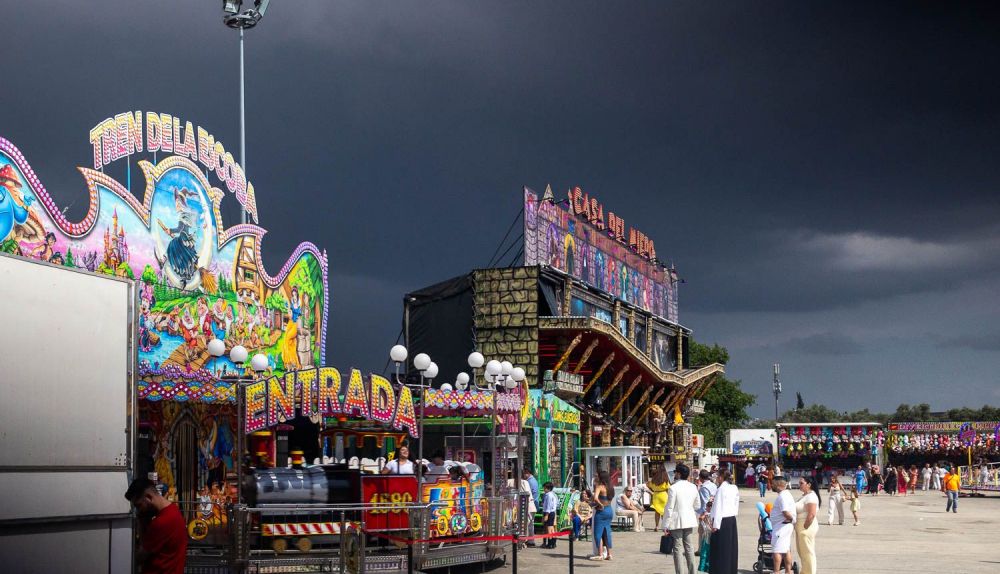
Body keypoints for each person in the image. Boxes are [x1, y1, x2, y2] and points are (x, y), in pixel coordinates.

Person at [126, 477, 187, 574]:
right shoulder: (173, 510)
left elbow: (139, 557)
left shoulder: (161, 522)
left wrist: (141, 521)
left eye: (139, 505)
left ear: (148, 497)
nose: (139, 510)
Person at [663, 464, 700, 574]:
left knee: (678, 549)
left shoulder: (673, 488)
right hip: (689, 519)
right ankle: (693, 572)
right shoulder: (693, 486)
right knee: (689, 548)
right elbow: (697, 505)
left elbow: (669, 508)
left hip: (676, 521)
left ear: (679, 474)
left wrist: (665, 525)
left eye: (675, 472)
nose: (674, 474)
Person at [708, 469, 739, 574]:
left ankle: (721, 570)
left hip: (722, 520)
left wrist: (715, 524)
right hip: (731, 518)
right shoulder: (734, 487)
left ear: (721, 477)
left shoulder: (721, 489)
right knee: (730, 547)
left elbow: (718, 507)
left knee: (721, 548)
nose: (716, 479)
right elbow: (736, 503)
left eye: (717, 476)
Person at [769, 476, 795, 574]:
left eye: (773, 483)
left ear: (779, 484)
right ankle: (788, 571)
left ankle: (776, 571)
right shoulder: (786, 494)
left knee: (777, 550)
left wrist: (791, 520)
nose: (771, 485)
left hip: (781, 527)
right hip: (783, 526)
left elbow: (785, 512)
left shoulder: (782, 496)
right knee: (785, 550)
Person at [795, 477, 819, 574]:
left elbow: (812, 514)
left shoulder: (811, 496)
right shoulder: (805, 496)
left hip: (806, 527)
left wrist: (805, 526)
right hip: (800, 527)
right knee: (802, 552)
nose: (799, 485)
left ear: (809, 484)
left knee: (808, 553)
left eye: (801, 483)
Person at [589, 470, 615, 561]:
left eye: (598, 476)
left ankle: (600, 554)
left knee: (598, 533)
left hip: (601, 512)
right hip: (609, 510)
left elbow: (596, 498)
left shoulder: (599, 487)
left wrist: (600, 504)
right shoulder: (611, 488)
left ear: (601, 477)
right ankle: (609, 554)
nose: (596, 477)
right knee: (607, 533)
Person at [542, 482, 559, 548]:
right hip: (552, 512)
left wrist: (546, 515)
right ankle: (553, 543)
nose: (544, 489)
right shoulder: (552, 495)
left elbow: (548, 506)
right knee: (552, 528)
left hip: (549, 512)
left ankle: (550, 543)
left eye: (545, 488)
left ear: (548, 488)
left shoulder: (548, 495)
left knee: (549, 528)